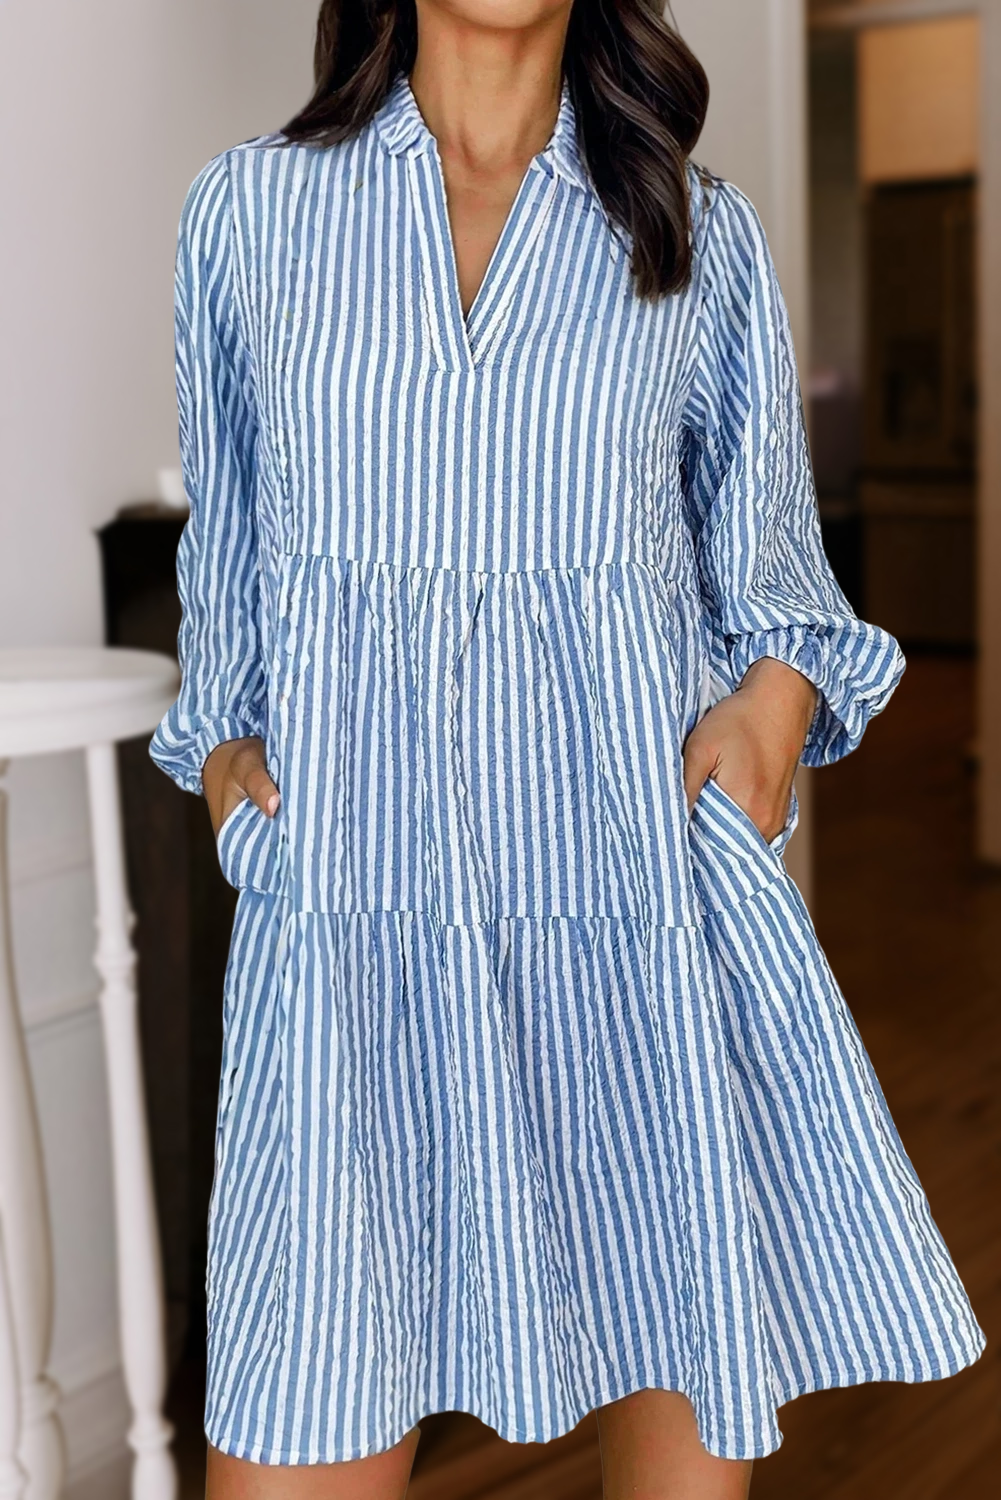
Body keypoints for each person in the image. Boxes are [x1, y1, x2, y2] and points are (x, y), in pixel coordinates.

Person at [149, 0, 986, 1495]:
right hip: (356, 940)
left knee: (679, 1410)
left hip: (634, 925)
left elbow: (783, 587)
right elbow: (229, 578)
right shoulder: (251, 216)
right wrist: (226, 768)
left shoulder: (693, 233)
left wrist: (768, 715)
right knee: (296, 1420)